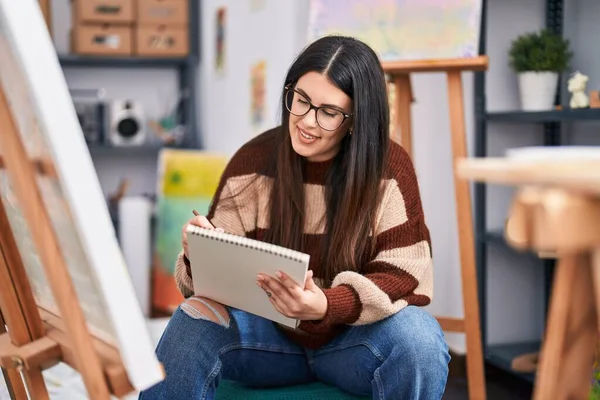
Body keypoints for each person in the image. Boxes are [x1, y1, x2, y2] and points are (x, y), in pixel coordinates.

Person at [139, 35, 449, 400]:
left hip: (351, 343)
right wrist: (198, 253)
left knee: (420, 337)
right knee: (192, 316)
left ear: (355, 120)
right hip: (266, 341)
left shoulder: (389, 168)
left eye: (328, 112)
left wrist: (327, 305)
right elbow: (203, 286)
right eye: (300, 100)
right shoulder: (253, 162)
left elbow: (404, 274)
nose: (306, 120)